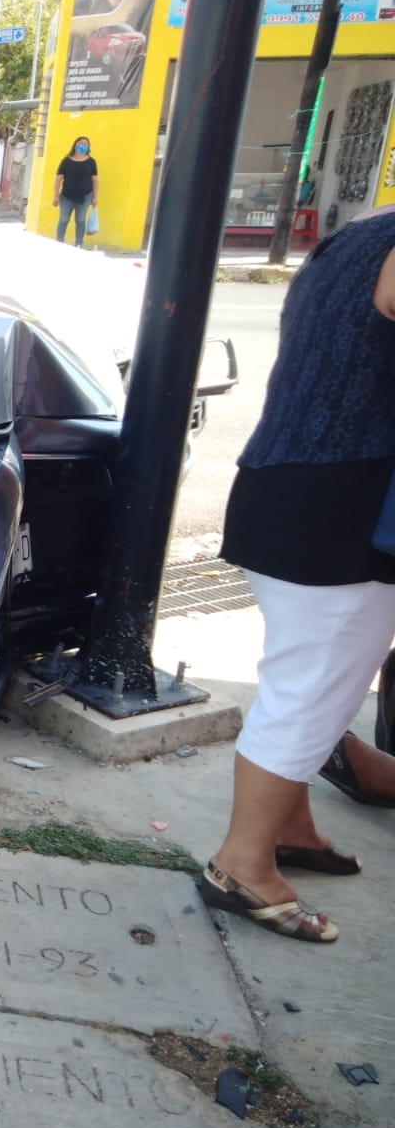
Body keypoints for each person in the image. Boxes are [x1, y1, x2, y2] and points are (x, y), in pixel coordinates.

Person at [202, 205, 395, 943]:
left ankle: (289, 825)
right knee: (310, 688)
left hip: (289, 485)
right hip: (343, 504)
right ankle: (243, 865)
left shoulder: (362, 234)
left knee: (312, 679)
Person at [53, 136, 97, 246]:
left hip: (85, 196)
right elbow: (58, 178)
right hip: (67, 196)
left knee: (81, 220)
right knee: (63, 219)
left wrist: (95, 197)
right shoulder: (66, 161)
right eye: (80, 143)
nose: (83, 145)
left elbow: (95, 180)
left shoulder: (91, 162)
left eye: (85, 144)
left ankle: (79, 244)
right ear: (75, 145)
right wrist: (56, 196)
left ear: (88, 147)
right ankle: (59, 242)